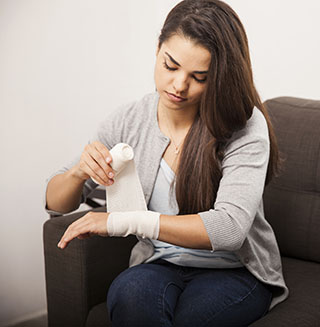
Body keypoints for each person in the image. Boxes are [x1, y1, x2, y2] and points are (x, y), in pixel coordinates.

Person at [44, 0, 288, 326]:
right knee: (128, 297)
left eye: (199, 77)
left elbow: (229, 229)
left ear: (220, 76)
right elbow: (56, 204)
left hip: (235, 271)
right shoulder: (129, 121)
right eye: (170, 66)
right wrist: (77, 173)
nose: (179, 86)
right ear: (158, 49)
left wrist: (123, 222)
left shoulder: (243, 124)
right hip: (159, 264)